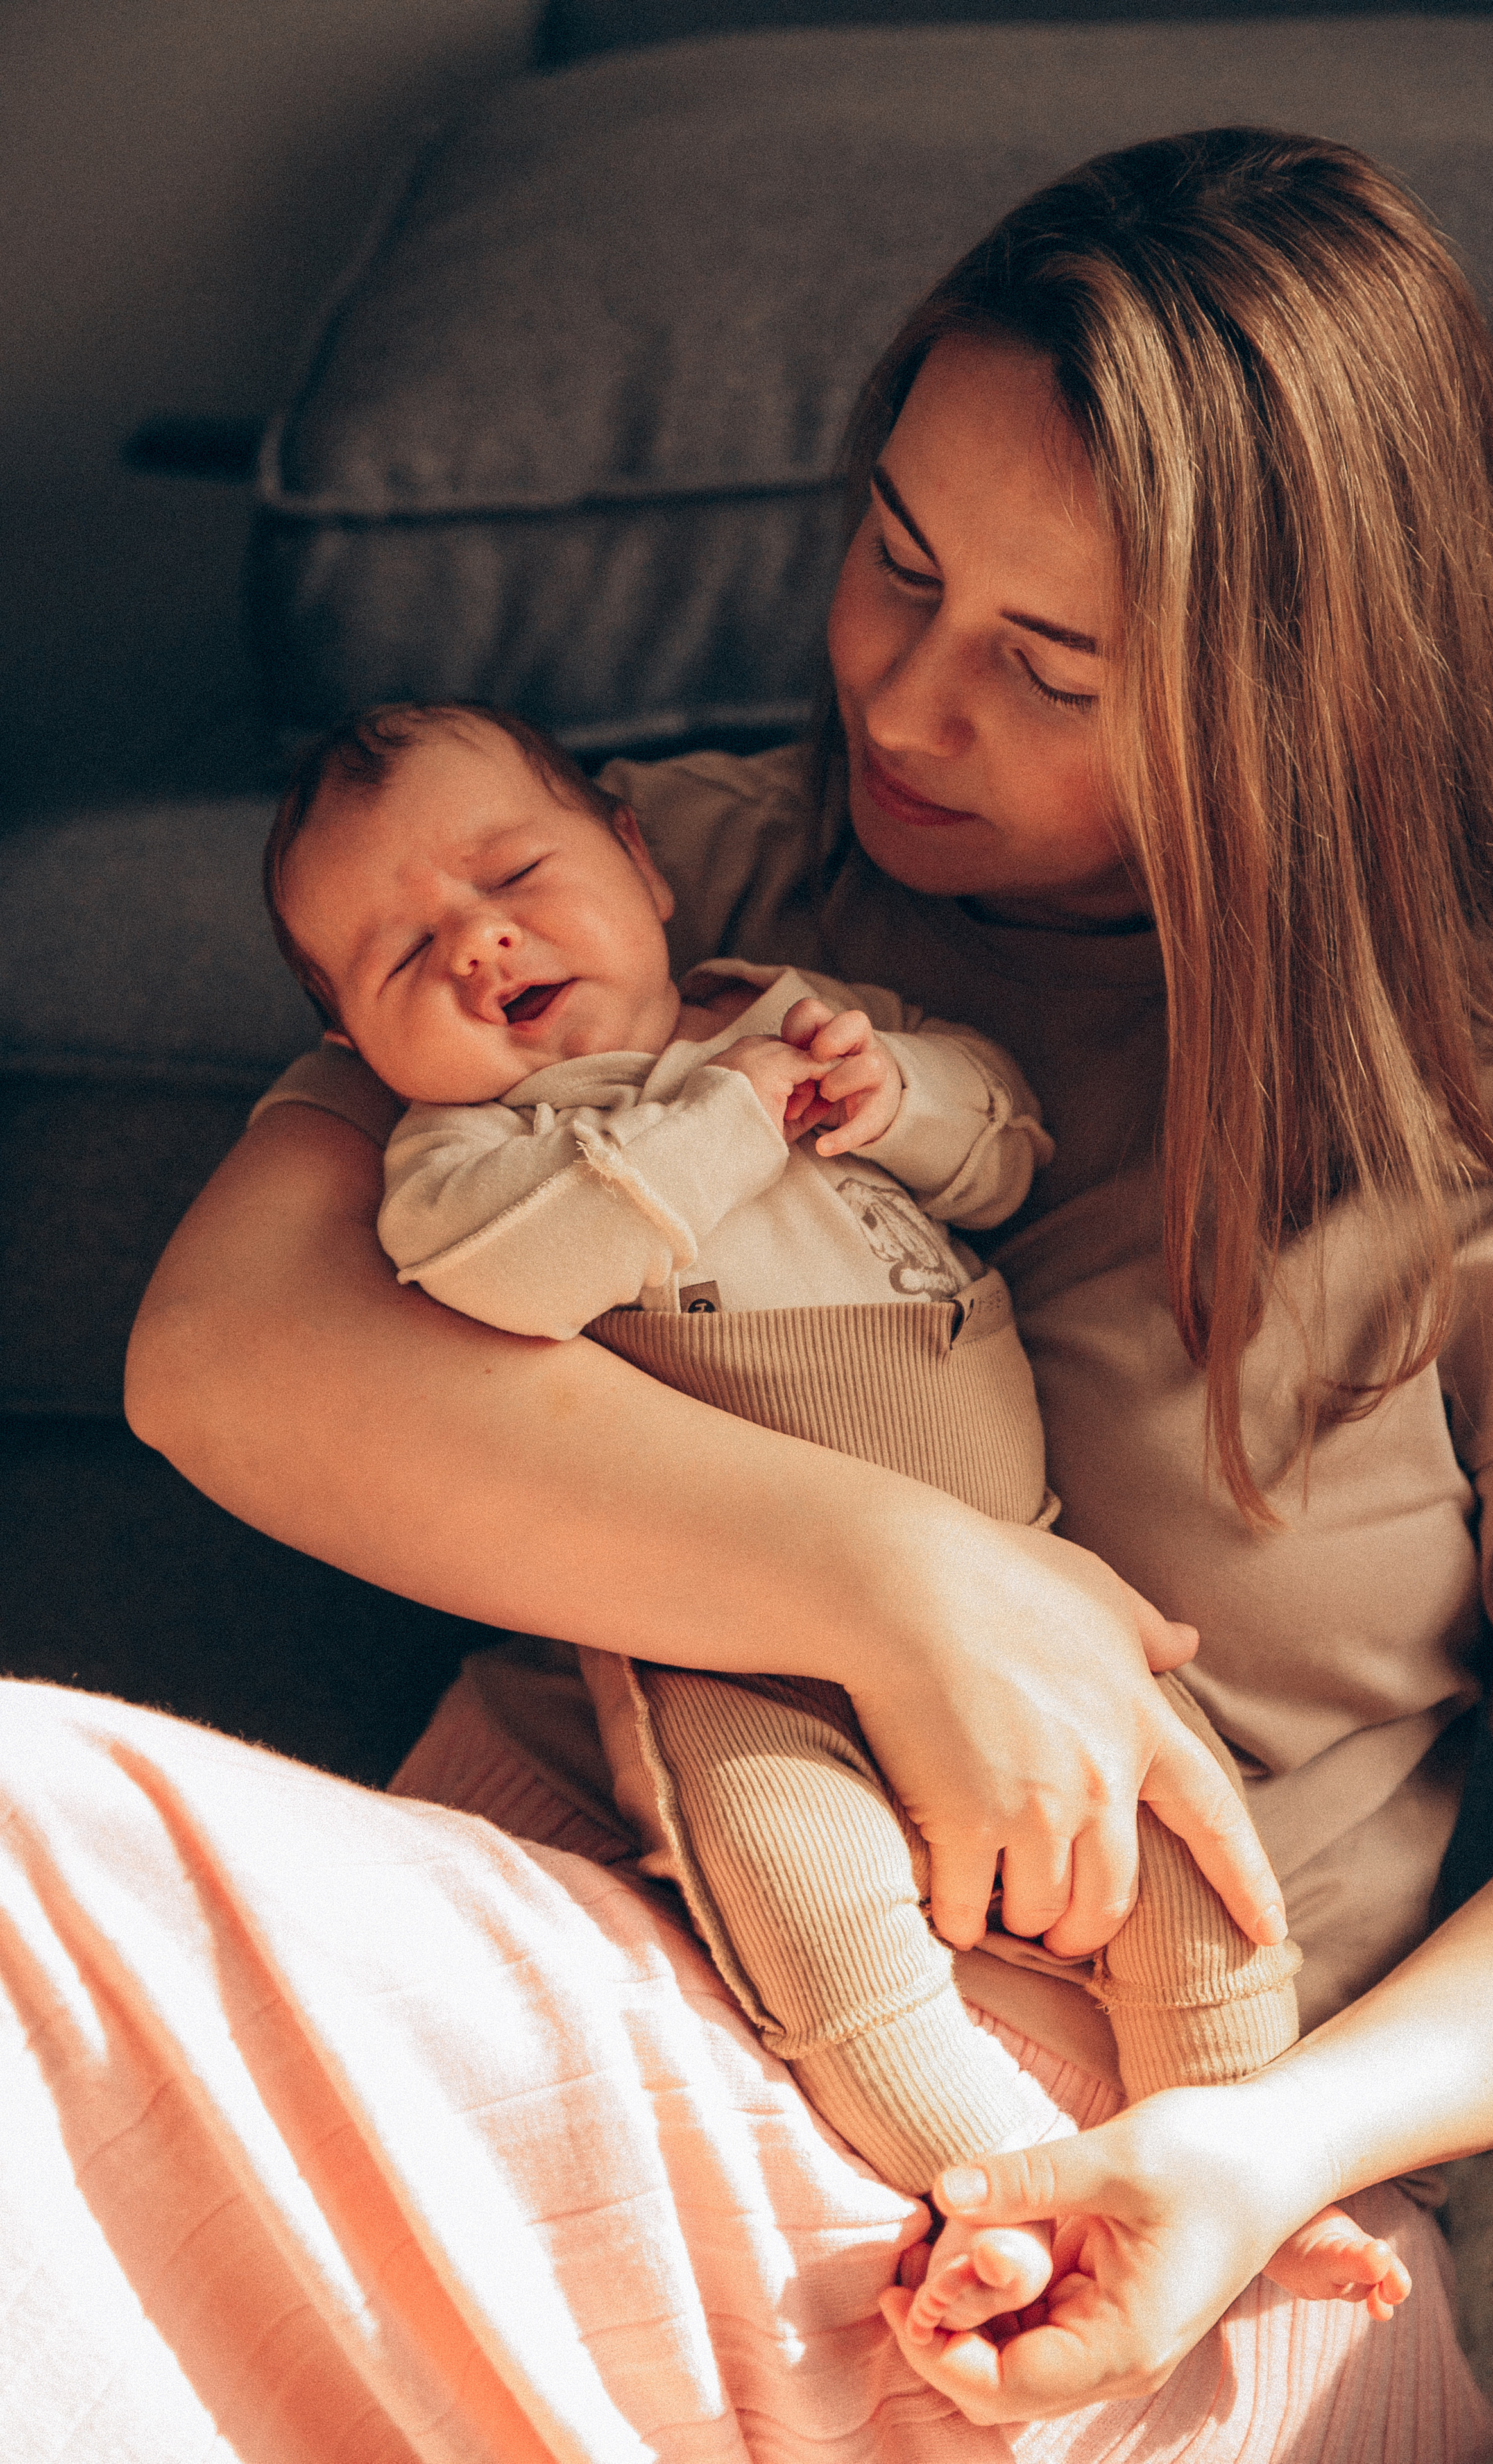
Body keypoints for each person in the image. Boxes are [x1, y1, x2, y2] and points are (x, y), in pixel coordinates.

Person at [91, 123, 1493, 2454]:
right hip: (579, 1958)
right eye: (895, 564)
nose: (906, 707)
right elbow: (229, 1356)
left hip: (1138, 2179)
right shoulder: (657, 881)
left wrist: (1268, 2151)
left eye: (1050, 667)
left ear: (1307, 703)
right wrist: (908, 1583)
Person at [256, 694, 1399, 2336]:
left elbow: (1002, 1149)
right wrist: (725, 1121)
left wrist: (900, 1097)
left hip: (1022, 1575)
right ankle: (999, 2189)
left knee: (1186, 1872)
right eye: (395, 955)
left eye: (512, 876)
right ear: (352, 1045)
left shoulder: (795, 1014)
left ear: (643, 864)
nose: (477, 943)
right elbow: (514, 1284)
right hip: (715, 1644)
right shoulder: (465, 1156)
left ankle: (1239, 2165)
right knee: (814, 1917)